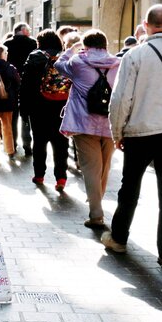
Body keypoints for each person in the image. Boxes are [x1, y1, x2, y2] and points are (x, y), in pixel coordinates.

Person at [102, 4, 162, 268]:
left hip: (140, 131)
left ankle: (119, 237)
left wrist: (117, 131)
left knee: (130, 187)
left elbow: (121, 98)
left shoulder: (134, 56)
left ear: (146, 25)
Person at [55, 29, 120, 226]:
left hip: (84, 123)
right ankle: (96, 200)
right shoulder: (118, 63)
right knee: (104, 168)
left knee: (91, 169)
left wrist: (71, 49)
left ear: (85, 45)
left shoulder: (78, 61)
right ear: (105, 44)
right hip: (110, 124)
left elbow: (59, 65)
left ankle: (96, 214)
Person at [20, 29, 71, 191]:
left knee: (40, 142)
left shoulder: (35, 57)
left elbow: (25, 85)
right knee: (61, 143)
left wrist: (24, 109)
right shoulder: (65, 57)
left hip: (38, 106)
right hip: (62, 106)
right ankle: (61, 177)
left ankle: (39, 175)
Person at [4, 22, 37, 156]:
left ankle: (12, 144)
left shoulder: (7, 44)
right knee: (26, 115)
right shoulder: (33, 43)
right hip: (28, 84)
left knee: (13, 116)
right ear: (23, 30)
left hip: (11, 84)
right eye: (28, 29)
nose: (29, 31)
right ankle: (27, 144)